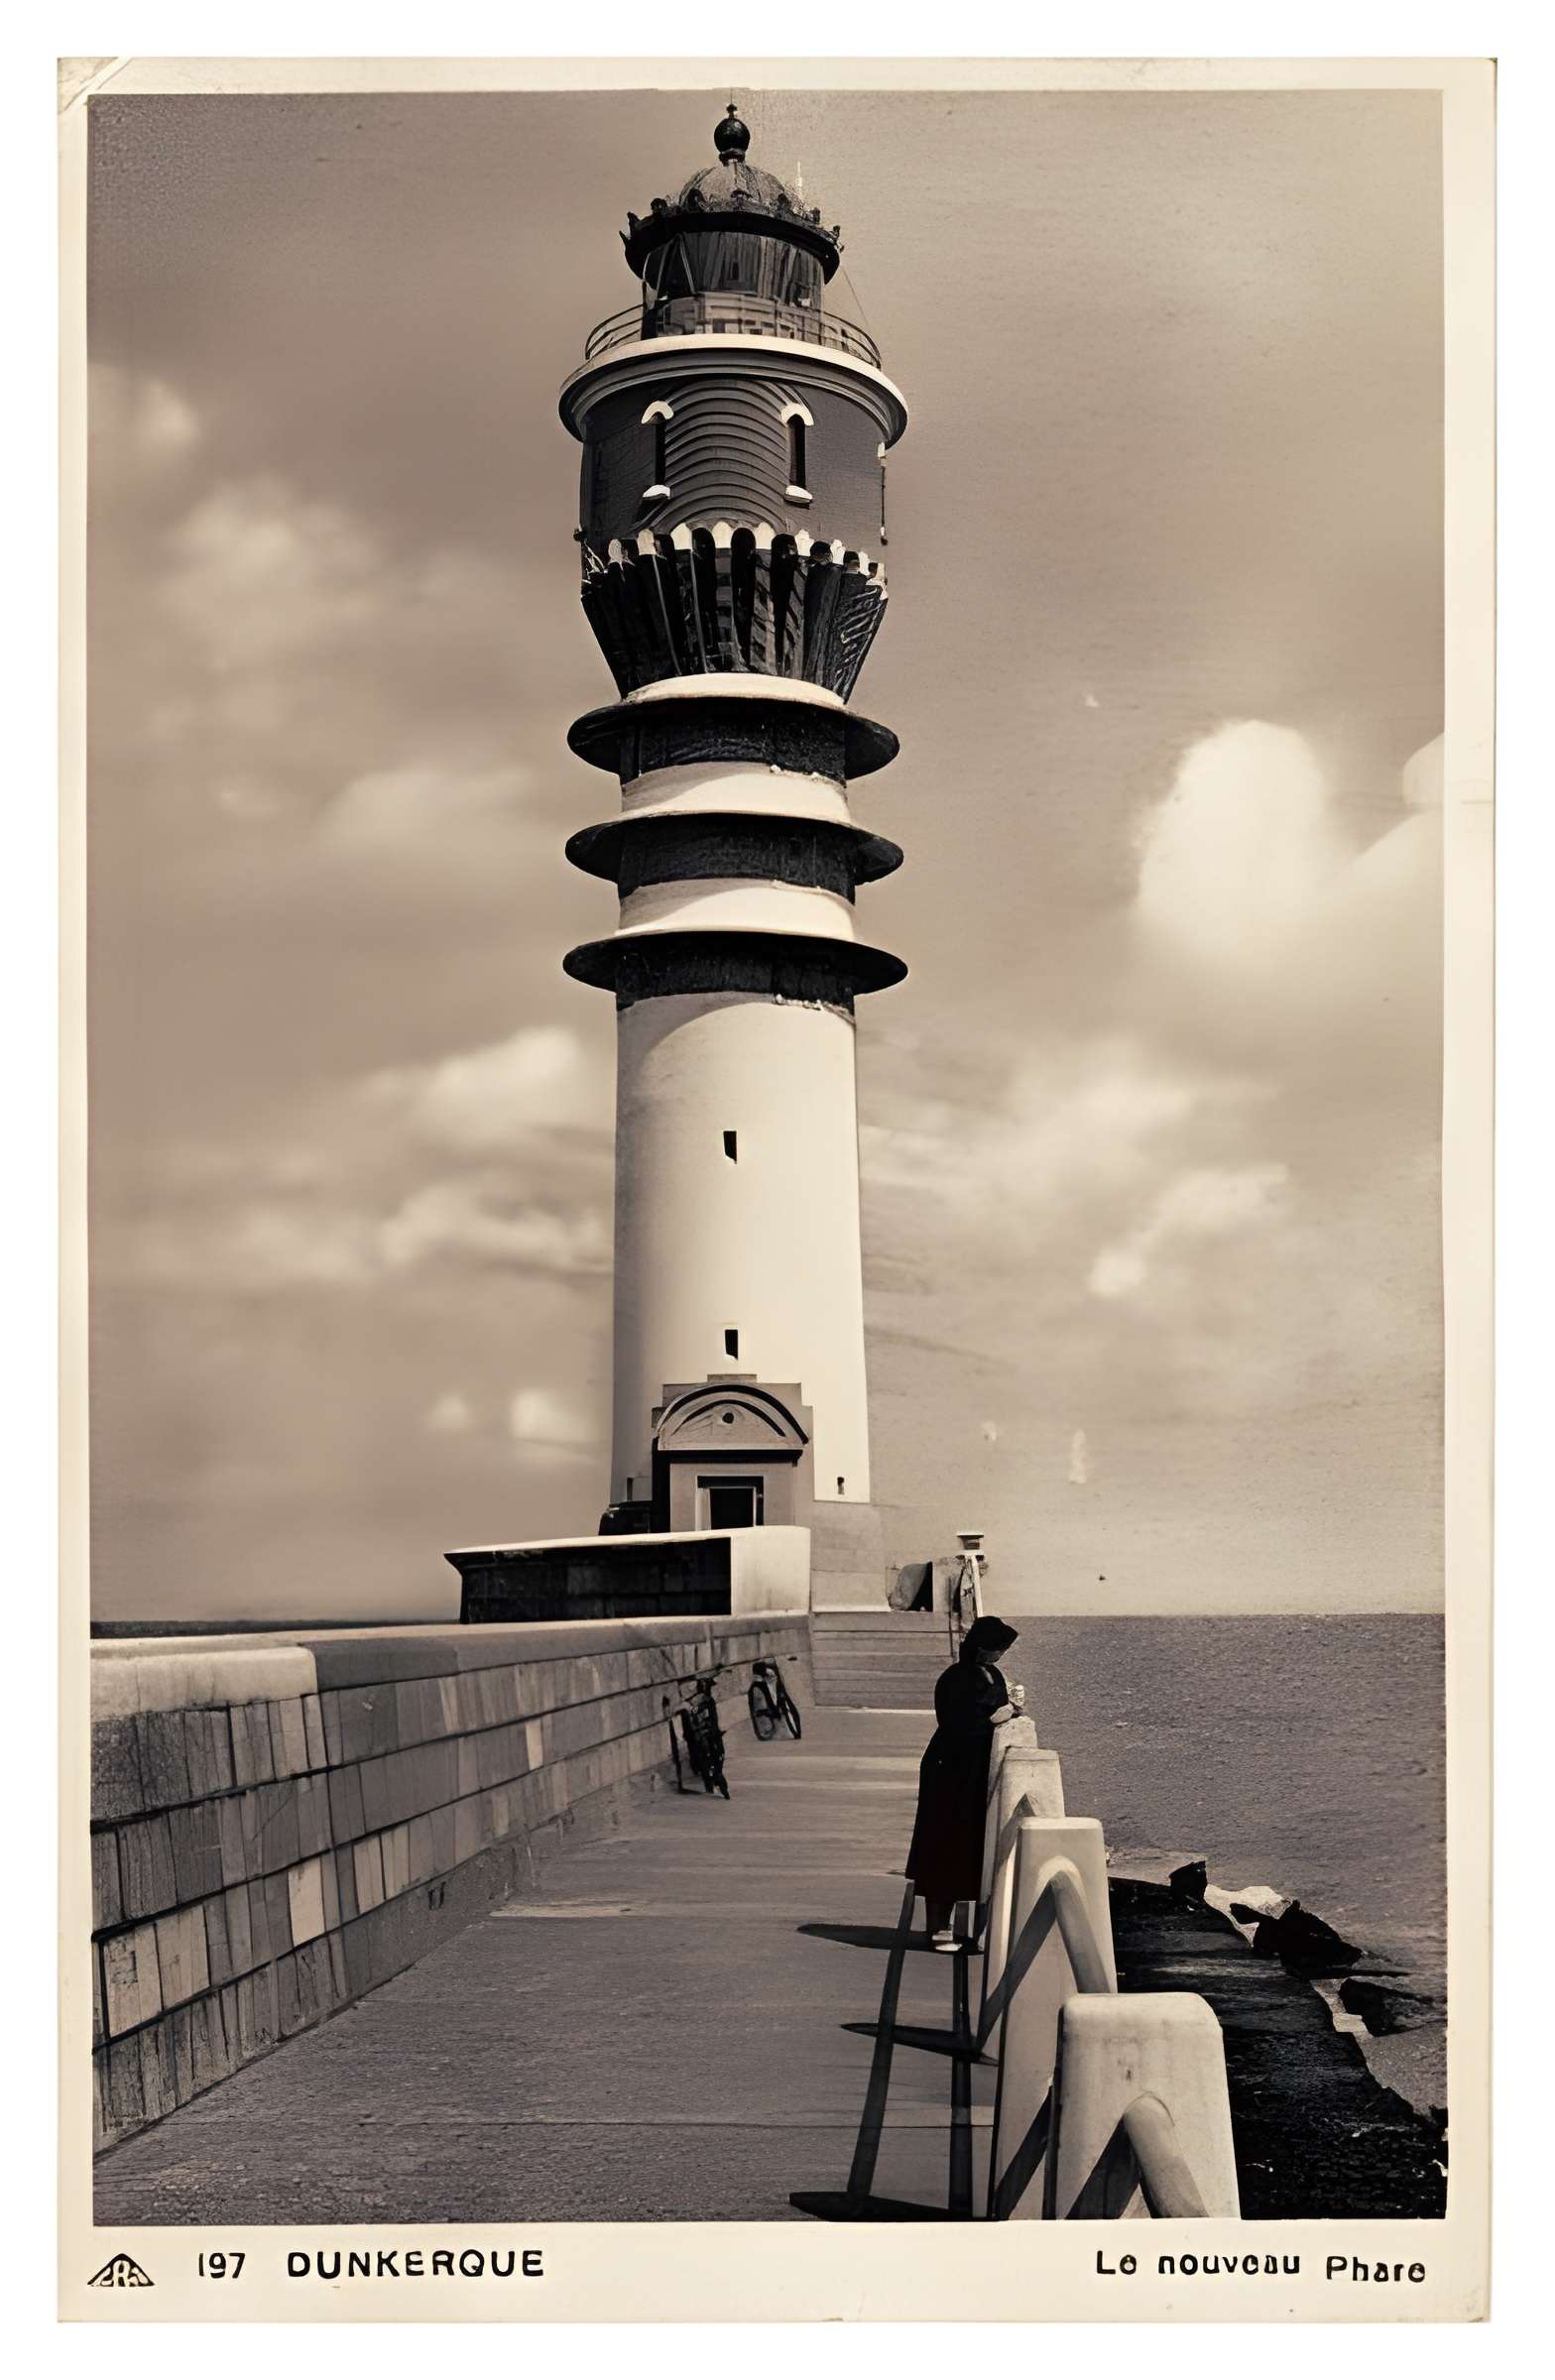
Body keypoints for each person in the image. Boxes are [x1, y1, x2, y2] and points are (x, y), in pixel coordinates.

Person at [904, 1614, 1023, 1951]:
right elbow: (955, 1723)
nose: (1000, 1654)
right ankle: (937, 1928)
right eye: (997, 1648)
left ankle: (966, 1928)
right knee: (944, 1842)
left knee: (970, 1846)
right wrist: (992, 1720)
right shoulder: (955, 1678)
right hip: (951, 1769)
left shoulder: (992, 1674)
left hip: (975, 1771)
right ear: (982, 1647)